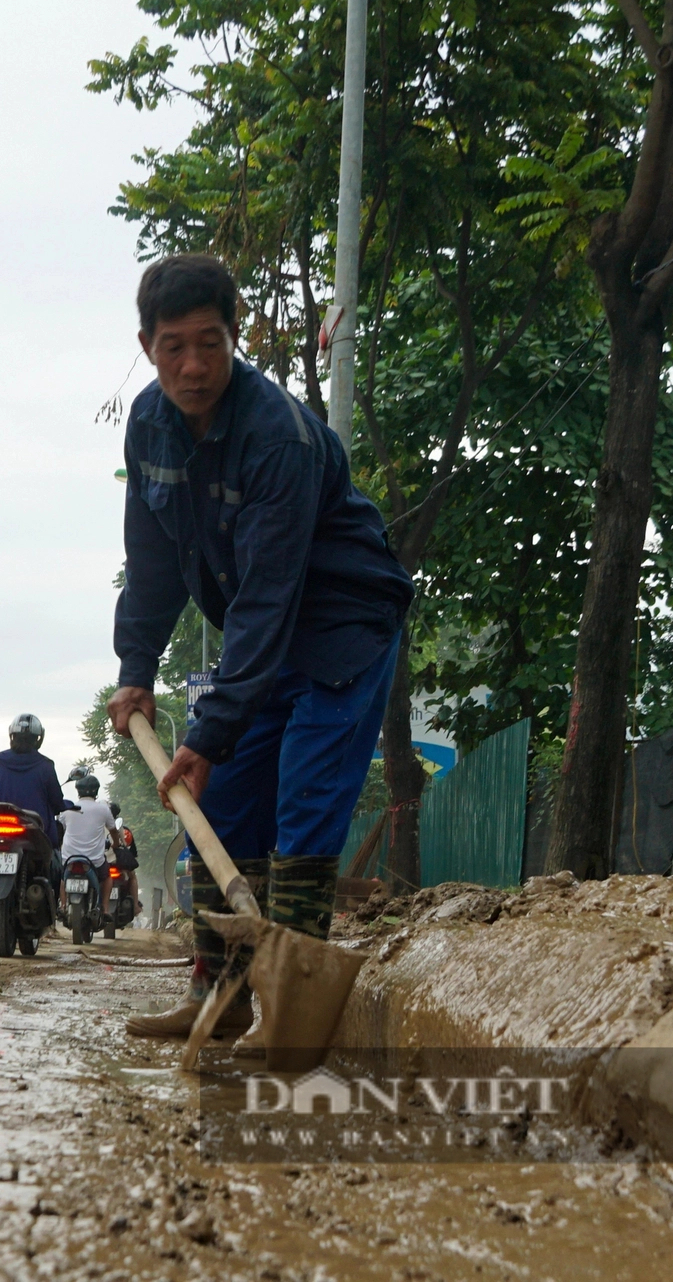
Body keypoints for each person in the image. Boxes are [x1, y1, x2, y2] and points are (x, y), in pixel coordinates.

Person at [108, 254, 414, 1040]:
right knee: (224, 803)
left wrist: (209, 732)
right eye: (174, 346)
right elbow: (152, 563)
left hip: (340, 621)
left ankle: (292, 1014)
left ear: (234, 337)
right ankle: (222, 996)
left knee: (304, 806)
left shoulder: (276, 436)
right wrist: (135, 672)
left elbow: (272, 594)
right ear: (147, 345)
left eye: (210, 342)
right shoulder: (148, 427)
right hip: (260, 627)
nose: (194, 365)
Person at [0, 714, 71, 876]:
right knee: (52, 865)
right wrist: (62, 805)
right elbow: (56, 802)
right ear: (38, 739)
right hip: (33, 830)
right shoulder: (45, 766)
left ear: (12, 736)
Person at [57, 773, 119, 915]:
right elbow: (113, 830)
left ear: (78, 790)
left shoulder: (68, 809)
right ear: (96, 791)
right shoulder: (103, 809)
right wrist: (115, 844)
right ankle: (104, 908)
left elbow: (60, 830)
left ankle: (63, 906)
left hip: (69, 858)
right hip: (94, 860)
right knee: (107, 877)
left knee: (62, 878)